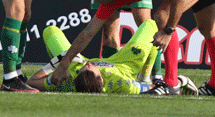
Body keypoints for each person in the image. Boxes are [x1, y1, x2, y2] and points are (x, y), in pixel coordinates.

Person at [51, 0, 215, 96]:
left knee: (161, 19)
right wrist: (64, 64)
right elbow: (88, 33)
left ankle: (171, 84)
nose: (94, 0)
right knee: (207, 28)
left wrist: (168, 31)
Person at [28, 20, 197, 94]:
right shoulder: (120, 83)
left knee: (50, 30)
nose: (87, 65)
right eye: (90, 69)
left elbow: (31, 83)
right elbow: (153, 90)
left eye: (83, 70)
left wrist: (59, 62)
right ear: (101, 79)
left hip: (71, 60)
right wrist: (178, 82)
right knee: (151, 25)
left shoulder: (68, 81)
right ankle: (146, 74)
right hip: (124, 64)